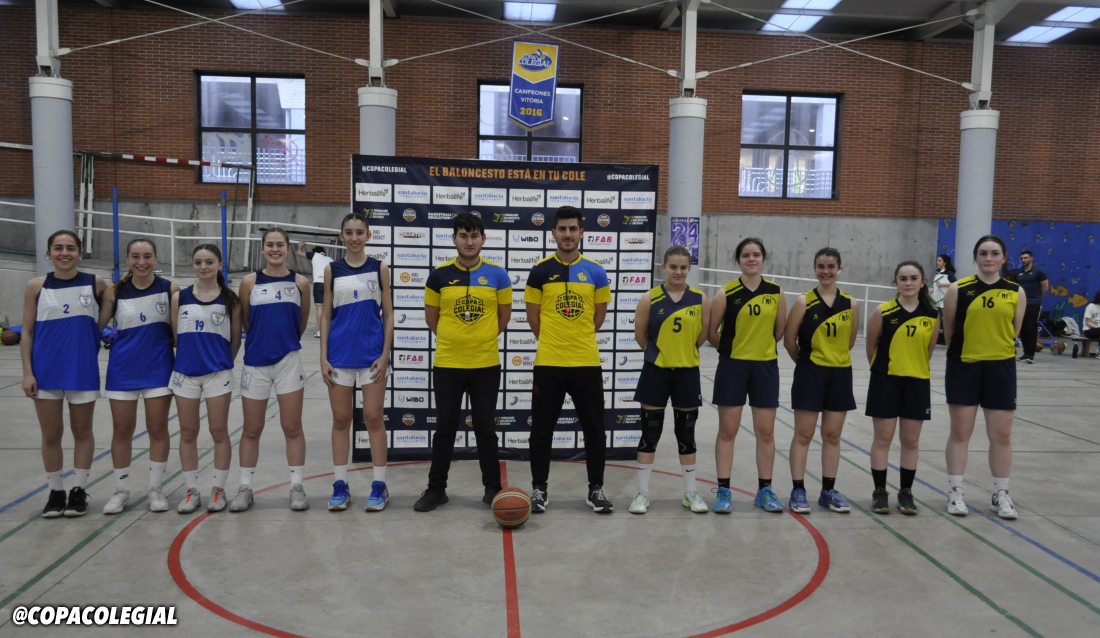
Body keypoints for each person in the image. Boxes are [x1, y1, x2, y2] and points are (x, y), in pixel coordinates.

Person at [414, 212, 511, 512]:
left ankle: (493, 487)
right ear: (454, 238)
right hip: (448, 363)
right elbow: (432, 320)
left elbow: (503, 317)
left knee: (485, 427)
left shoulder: (498, 275)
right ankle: (436, 488)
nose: (469, 241)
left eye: (474, 236)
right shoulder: (438, 276)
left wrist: (479, 339)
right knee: (445, 427)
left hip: (485, 364)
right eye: (463, 236)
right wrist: (456, 340)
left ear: (483, 239)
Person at [525, 206, 613, 513]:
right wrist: (555, 341)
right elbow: (533, 319)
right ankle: (539, 489)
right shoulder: (539, 271)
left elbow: (597, 319)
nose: (567, 234)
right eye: (562, 229)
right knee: (541, 430)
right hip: (549, 362)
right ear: (553, 233)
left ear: (581, 233)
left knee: (594, 428)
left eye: (573, 229)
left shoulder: (596, 271)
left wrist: (576, 339)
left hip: (586, 362)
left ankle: (596, 489)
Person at [21, 230, 107, 517]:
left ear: (80, 253)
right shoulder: (36, 286)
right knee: (51, 434)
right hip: (45, 371)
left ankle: (78, 491)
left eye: (71, 248)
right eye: (58, 248)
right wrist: (27, 373)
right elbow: (27, 332)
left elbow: (114, 311)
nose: (64, 253)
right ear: (48, 253)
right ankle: (56, 492)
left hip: (82, 369)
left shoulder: (95, 283)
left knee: (82, 431)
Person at [943, 235, 1026, 519]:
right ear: (975, 257)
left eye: (994, 253)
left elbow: (1013, 332)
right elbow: (950, 330)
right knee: (960, 432)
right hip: (964, 367)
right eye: (983, 253)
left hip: (1000, 369)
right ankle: (955, 491)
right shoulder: (958, 289)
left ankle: (1000, 494)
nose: (988, 258)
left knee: (1001, 435)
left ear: (1003, 257)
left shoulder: (1016, 292)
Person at [231, 228, 312, 512]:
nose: (275, 249)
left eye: (280, 245)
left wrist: (283, 341)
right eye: (270, 245)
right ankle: (245, 488)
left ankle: (296, 487)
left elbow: (301, 324)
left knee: (292, 426)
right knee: (252, 429)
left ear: (288, 249)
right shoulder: (249, 282)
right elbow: (248, 323)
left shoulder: (300, 283)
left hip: (289, 361)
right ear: (263, 249)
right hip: (256, 362)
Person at [98, 238, 178, 515]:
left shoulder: (170, 289)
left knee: (158, 429)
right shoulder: (114, 291)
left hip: (159, 368)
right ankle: (121, 491)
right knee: (122, 431)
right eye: (135, 256)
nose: (141, 262)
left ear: (156, 258)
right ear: (127, 259)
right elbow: (95, 328)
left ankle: (156, 489)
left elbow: (180, 333)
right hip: (122, 369)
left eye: (147, 256)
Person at [628, 245, 710, 514]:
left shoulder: (700, 299)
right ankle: (642, 493)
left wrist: (682, 353)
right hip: (656, 372)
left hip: (687, 372)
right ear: (663, 267)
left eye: (683, 267)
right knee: (650, 433)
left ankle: (690, 492)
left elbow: (702, 335)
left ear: (689, 268)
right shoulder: (649, 298)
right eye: (673, 267)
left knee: (686, 435)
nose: (678, 272)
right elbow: (641, 335)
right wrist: (661, 356)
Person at [708, 237, 787, 514]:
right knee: (727, 431)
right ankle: (724, 490)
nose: (751, 259)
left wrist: (758, 349)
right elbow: (711, 333)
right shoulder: (725, 293)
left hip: (765, 368)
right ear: (738, 260)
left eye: (756, 254)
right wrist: (733, 352)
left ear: (763, 258)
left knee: (766, 432)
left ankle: (764, 490)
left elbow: (779, 332)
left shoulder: (776, 292)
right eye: (745, 255)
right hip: (733, 368)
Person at [321, 213, 393, 512]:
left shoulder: (380, 268)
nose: (354, 238)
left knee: (373, 418)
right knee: (341, 420)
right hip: (339, 358)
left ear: (368, 235)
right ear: (341, 236)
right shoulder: (331, 269)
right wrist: (323, 357)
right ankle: (340, 485)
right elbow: (326, 315)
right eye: (349, 232)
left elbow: (389, 315)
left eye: (359, 232)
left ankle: (379, 486)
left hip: (372, 358)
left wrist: (385, 354)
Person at [783, 247, 859, 514]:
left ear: (839, 268)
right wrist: (808, 365)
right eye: (821, 266)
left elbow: (849, 342)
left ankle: (828, 491)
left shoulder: (851, 304)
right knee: (803, 435)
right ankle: (798, 490)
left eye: (830, 266)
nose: (826, 271)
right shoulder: (803, 302)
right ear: (814, 269)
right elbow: (789, 341)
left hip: (840, 374)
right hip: (810, 374)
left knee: (833, 435)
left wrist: (832, 360)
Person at [171, 244, 242, 514]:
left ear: (220, 265)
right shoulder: (179, 298)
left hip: (217, 374)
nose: (203, 267)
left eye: (209, 262)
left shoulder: (231, 300)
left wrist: (220, 363)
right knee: (188, 433)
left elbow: (235, 340)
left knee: (218, 431)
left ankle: (218, 489)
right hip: (185, 374)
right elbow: (176, 336)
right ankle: (191, 491)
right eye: (198, 262)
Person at [865, 261, 939, 515]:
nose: (908, 283)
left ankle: (906, 492)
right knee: (883, 438)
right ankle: (879, 492)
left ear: (923, 282)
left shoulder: (932, 315)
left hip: (917, 382)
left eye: (913, 278)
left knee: (910, 440)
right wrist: (887, 371)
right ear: (895, 282)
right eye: (903, 278)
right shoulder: (882, 311)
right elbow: (871, 349)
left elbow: (928, 351)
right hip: (885, 381)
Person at [1012, 249, 1048, 364]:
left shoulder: (1038, 272)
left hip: (1033, 303)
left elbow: (1045, 287)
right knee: (1022, 329)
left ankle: (1031, 355)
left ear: (1031, 258)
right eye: (1022, 258)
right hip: (1020, 304)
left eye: (1026, 258)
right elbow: (1015, 288)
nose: (1023, 260)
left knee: (1030, 328)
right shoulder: (1018, 273)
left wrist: (1037, 298)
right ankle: (1025, 353)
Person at [297, 241, 333, 338]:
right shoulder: (331, 259)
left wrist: (300, 246)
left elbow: (299, 253)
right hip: (329, 285)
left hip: (318, 284)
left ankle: (321, 331)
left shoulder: (314, 255)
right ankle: (329, 330)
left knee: (319, 308)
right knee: (328, 308)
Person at [930, 254, 957, 345]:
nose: (937, 262)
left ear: (945, 263)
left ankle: (950, 340)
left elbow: (956, 284)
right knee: (936, 320)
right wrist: (933, 291)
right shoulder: (937, 272)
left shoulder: (949, 273)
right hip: (936, 300)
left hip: (944, 301)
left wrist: (943, 285)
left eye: (940, 261)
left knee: (947, 321)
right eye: (937, 260)